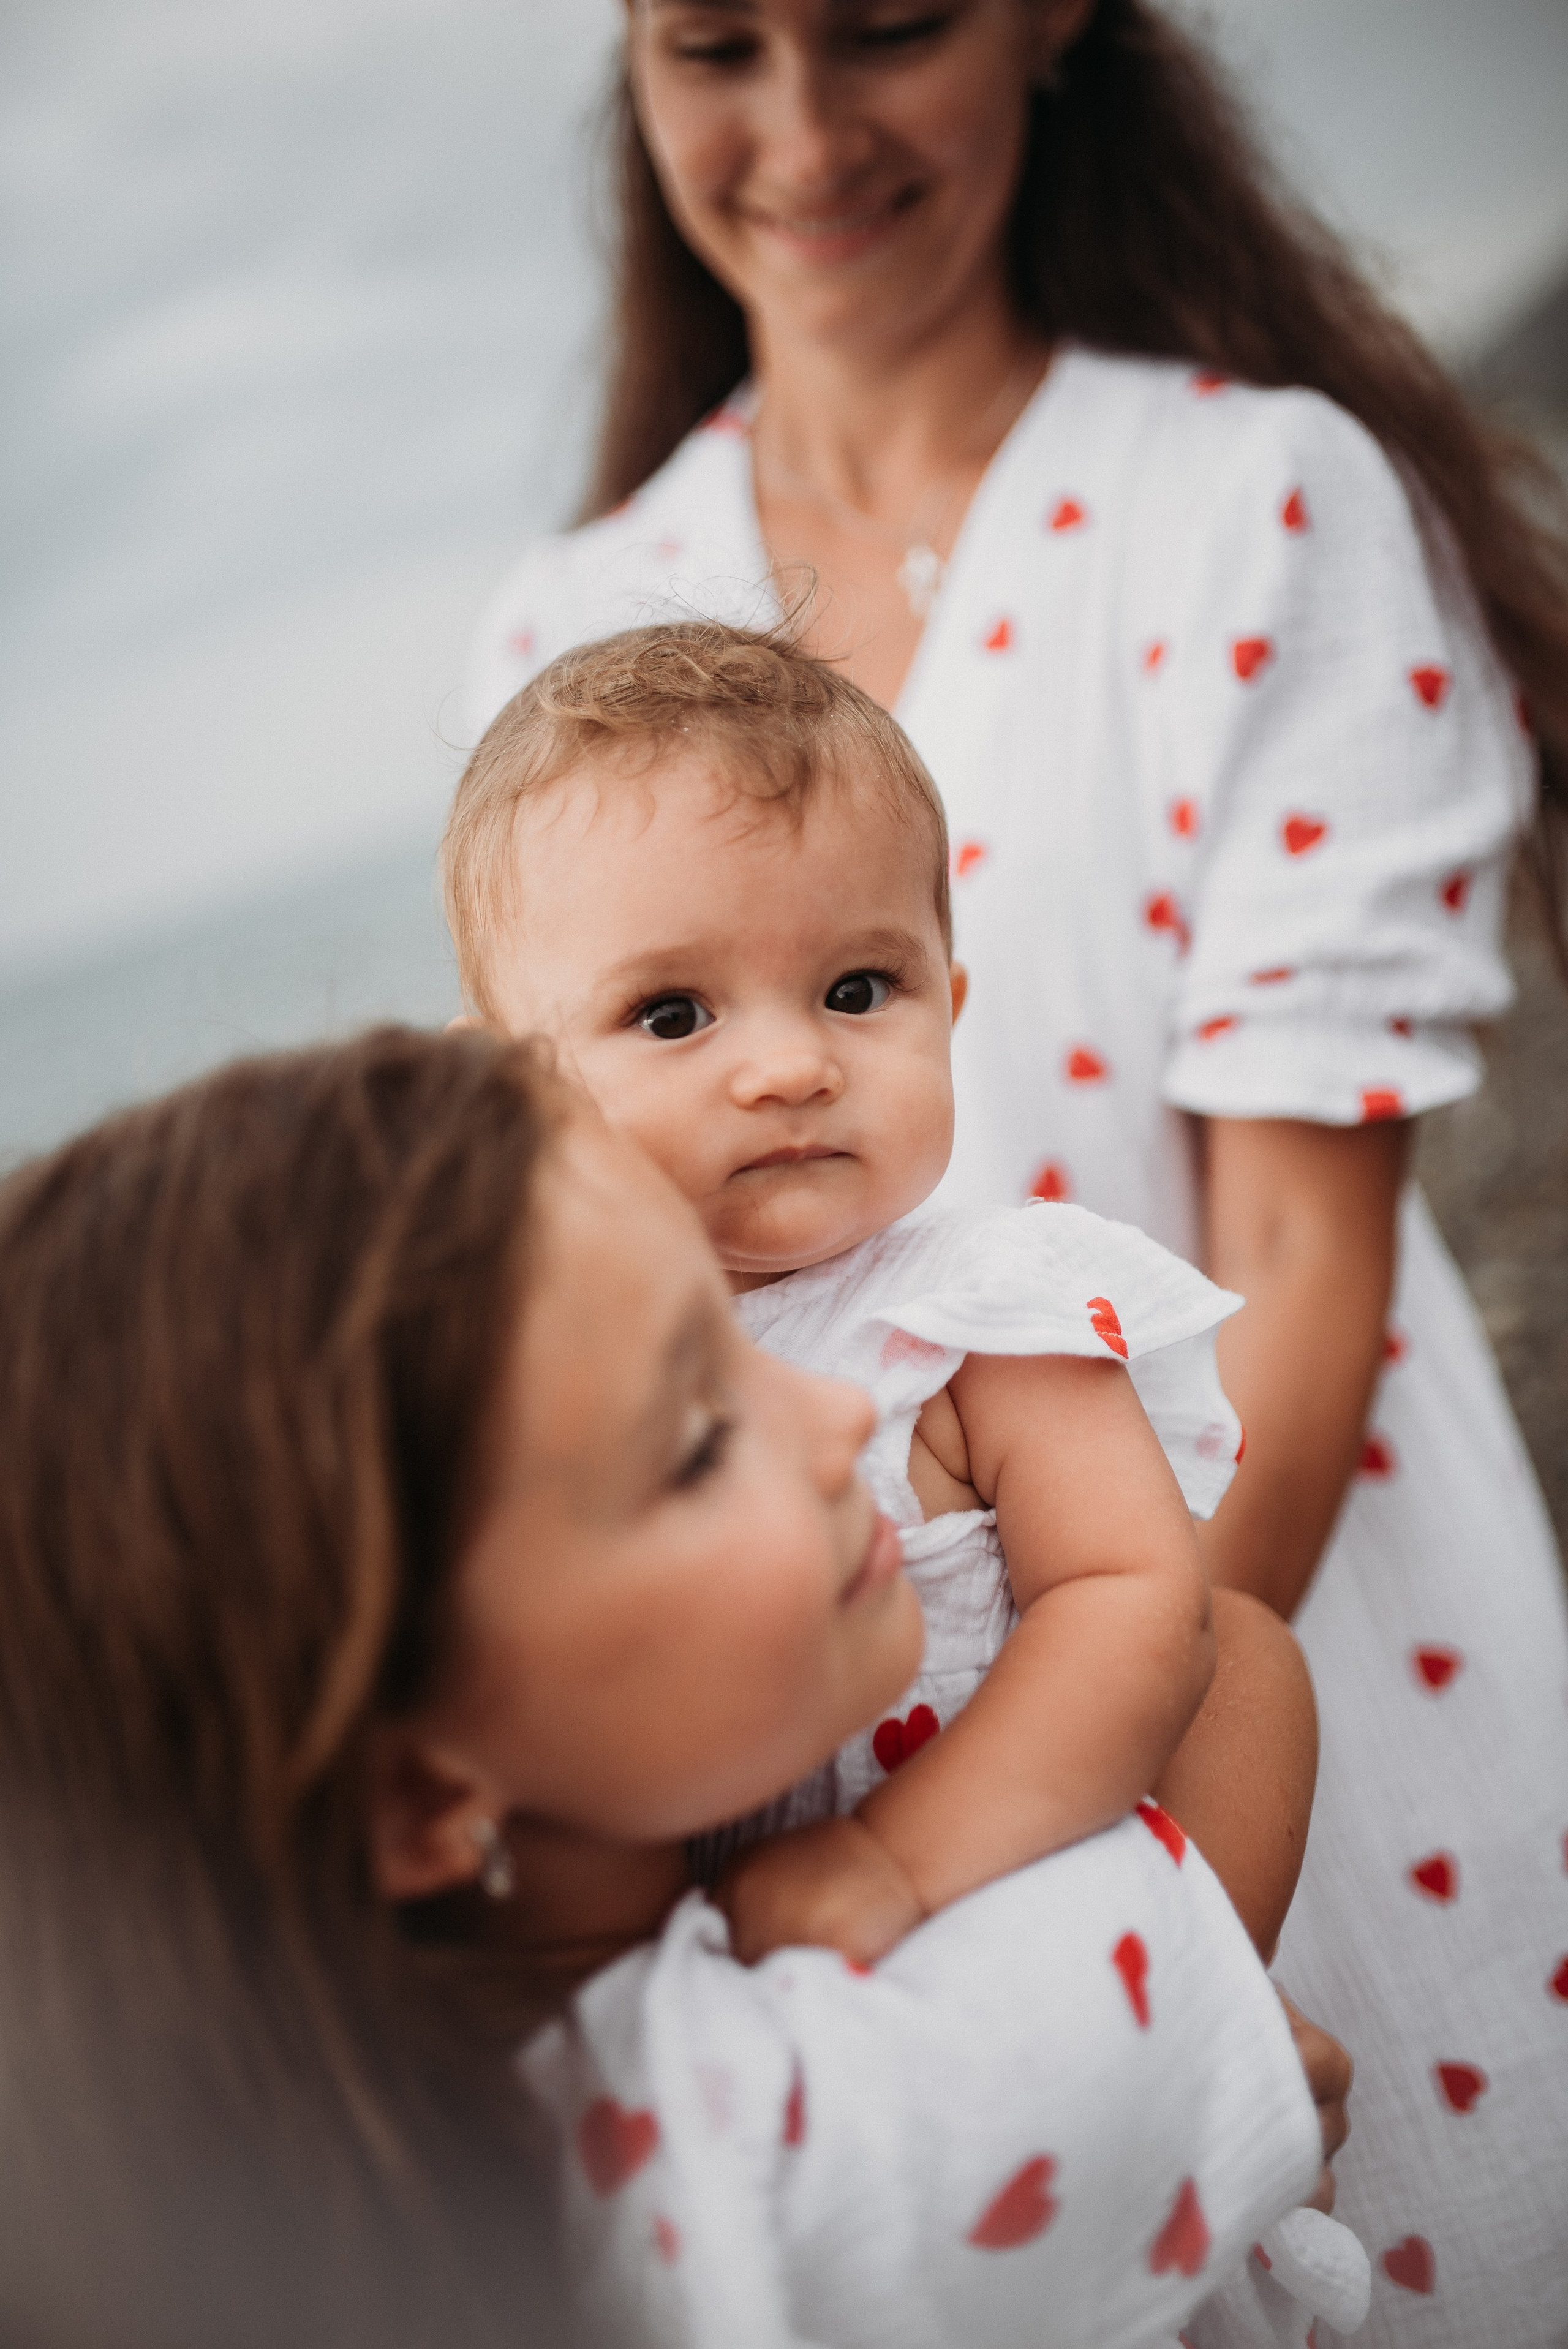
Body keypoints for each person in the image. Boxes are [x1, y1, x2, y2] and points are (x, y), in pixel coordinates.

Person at [459, 4, 1568, 2338]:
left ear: (1055, 20)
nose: (798, 128)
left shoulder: (1259, 493)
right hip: (775, 1729)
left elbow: (1287, 1262)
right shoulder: (566, 617)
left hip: (1228, 1602)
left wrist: (1073, 1911)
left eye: (882, 28)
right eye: (715, 48)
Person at [0, 1027, 1353, 2348]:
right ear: (421, 1790)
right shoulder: (776, 2156)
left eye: (736, 1332)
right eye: (701, 1437)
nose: (835, 1417)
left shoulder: (330, 2188)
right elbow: (1233, 1681)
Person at [442, 615, 1315, 1974]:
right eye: (675, 1013)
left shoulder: (974, 1310)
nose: (791, 1065)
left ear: (947, 1002)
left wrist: (894, 1858)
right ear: (519, 1085)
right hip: (718, 1970)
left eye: (858, 990)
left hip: (1015, 1900)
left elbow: (1134, 1598)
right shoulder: (547, 1371)